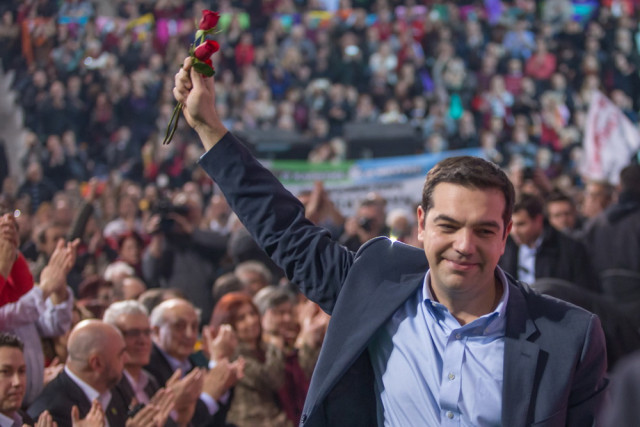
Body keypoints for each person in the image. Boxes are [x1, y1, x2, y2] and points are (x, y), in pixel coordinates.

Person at [173, 57, 608, 426]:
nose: (464, 245)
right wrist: (209, 127)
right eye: (448, 226)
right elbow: (285, 229)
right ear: (421, 224)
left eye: (483, 230)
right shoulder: (376, 285)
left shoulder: (569, 337)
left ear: (505, 233)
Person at [146, 298, 241, 427]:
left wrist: (222, 386)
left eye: (194, 326)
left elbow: (216, 421)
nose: (189, 334)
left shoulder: (191, 363)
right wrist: (209, 395)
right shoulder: (148, 367)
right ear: (156, 331)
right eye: (179, 326)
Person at [210, 292, 291, 427]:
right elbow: (273, 379)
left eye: (253, 314)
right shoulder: (233, 356)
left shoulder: (264, 348)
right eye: (241, 318)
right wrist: (274, 343)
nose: (251, 321)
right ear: (228, 325)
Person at [500, 193, 600, 293]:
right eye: (510, 225)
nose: (514, 231)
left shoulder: (570, 249)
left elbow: (584, 292)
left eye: (521, 224)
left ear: (538, 220)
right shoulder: (505, 248)